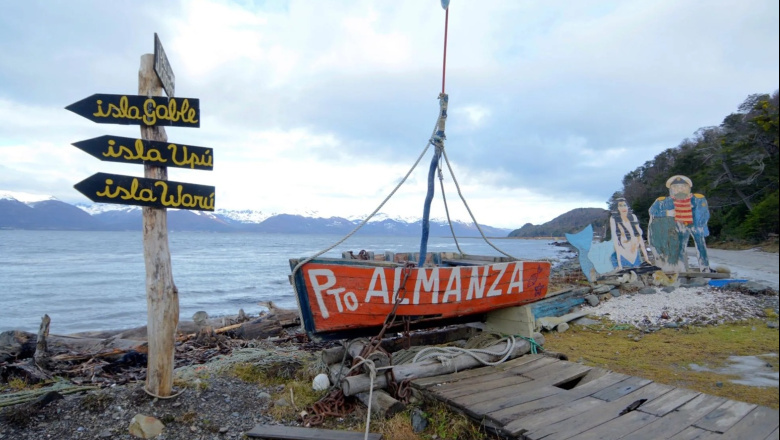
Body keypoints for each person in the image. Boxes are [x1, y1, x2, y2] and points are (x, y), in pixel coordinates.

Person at [649, 175, 711, 272]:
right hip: (677, 226)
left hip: (695, 225)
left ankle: (705, 267)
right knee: (680, 247)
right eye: (676, 187)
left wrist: (700, 224)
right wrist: (666, 213)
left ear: (689, 188)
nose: (680, 189)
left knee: (701, 245)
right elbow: (653, 211)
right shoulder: (664, 201)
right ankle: (681, 268)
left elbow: (704, 212)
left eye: (683, 187)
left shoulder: (698, 199)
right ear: (671, 189)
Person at [609, 198, 651, 269]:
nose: (623, 208)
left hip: (634, 253)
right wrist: (619, 264)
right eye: (620, 205)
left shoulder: (633, 217)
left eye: (625, 205)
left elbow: (639, 237)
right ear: (617, 208)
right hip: (623, 253)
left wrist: (646, 259)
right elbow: (615, 241)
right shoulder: (614, 219)